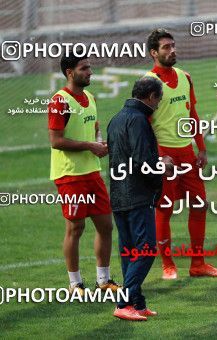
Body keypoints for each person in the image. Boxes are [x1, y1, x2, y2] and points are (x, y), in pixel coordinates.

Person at [145, 28, 217, 279]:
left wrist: (201, 148)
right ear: (153, 53)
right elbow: (143, 124)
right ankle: (167, 264)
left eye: (173, 45)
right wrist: (158, 157)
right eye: (166, 47)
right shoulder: (147, 83)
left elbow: (192, 115)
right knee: (165, 208)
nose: (172, 50)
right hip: (165, 155)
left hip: (187, 154)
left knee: (200, 205)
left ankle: (198, 264)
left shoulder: (185, 77)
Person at [48, 49, 120, 295]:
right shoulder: (60, 100)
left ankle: (104, 280)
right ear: (70, 73)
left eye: (90, 67)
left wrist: (98, 141)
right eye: (84, 68)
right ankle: (75, 283)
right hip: (69, 175)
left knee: (106, 226)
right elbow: (56, 141)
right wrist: (91, 146)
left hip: (92, 173)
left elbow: (94, 125)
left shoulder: (90, 97)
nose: (90, 72)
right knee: (75, 228)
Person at [107, 77, 169, 321]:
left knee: (130, 251)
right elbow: (144, 162)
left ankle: (137, 303)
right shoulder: (139, 120)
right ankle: (123, 302)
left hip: (118, 195)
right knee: (145, 250)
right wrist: (161, 167)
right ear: (152, 97)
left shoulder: (115, 119)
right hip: (137, 195)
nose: (159, 104)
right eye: (159, 99)